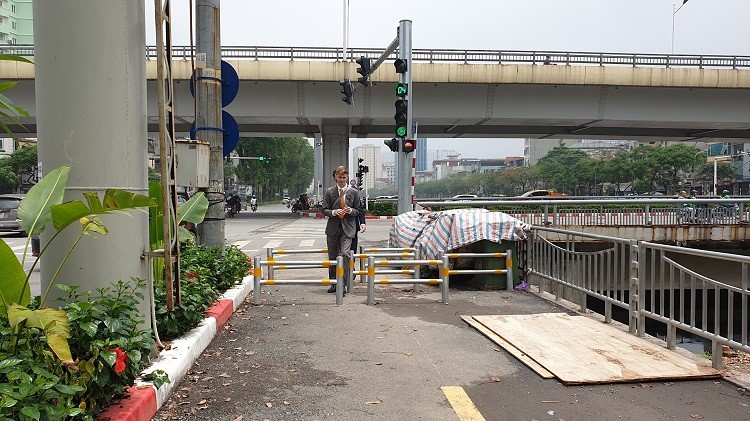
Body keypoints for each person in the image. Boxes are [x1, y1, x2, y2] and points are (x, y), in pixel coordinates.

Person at [322, 166, 361, 294]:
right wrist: (334, 212)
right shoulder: (329, 192)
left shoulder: (354, 192)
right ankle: (334, 283)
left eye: (344, 178)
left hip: (348, 228)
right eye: (340, 177)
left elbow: (358, 211)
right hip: (333, 228)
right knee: (333, 257)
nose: (342, 180)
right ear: (335, 177)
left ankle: (343, 283)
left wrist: (350, 210)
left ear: (347, 178)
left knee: (345, 254)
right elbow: (324, 210)